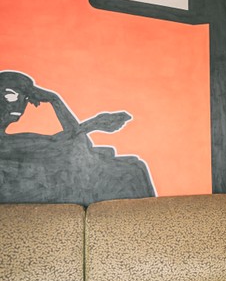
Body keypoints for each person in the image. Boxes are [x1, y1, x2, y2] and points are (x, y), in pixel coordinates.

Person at [0, 71, 155, 205]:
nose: (21, 103)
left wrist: (89, 126)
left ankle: (143, 227)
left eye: (26, 97)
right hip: (28, 190)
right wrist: (55, 100)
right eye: (10, 95)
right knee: (130, 172)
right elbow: (55, 144)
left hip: (41, 183)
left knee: (133, 168)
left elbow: (61, 142)